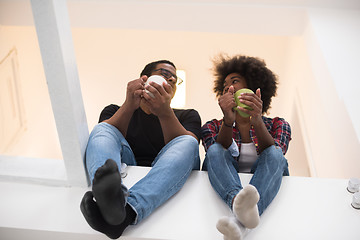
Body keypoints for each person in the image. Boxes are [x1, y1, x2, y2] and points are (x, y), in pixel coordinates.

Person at [80, 60, 201, 239]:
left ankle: (126, 212)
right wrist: (129, 104)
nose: (171, 80)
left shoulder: (188, 115)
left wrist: (164, 112)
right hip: (125, 163)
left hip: (167, 169)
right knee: (103, 129)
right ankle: (110, 196)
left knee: (188, 143)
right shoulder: (115, 110)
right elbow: (105, 137)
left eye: (175, 80)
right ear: (145, 79)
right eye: (164, 74)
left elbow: (186, 149)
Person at [201, 54, 291, 240]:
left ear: (253, 85)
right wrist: (228, 122)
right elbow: (215, 156)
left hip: (268, 176)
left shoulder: (278, 124)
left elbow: (277, 154)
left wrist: (256, 121)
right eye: (225, 85)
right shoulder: (213, 126)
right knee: (216, 150)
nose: (228, 87)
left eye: (234, 81)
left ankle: (238, 221)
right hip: (225, 179)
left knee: (274, 153)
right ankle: (237, 202)